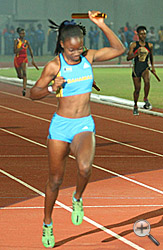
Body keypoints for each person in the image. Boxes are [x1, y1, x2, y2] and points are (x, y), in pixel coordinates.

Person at [30, 10, 125, 248]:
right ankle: (47, 222)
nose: (76, 53)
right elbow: (34, 94)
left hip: (83, 124)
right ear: (62, 45)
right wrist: (52, 88)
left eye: (79, 48)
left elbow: (119, 50)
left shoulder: (89, 57)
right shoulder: (54, 65)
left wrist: (101, 24)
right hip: (61, 126)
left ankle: (78, 198)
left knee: (84, 168)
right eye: (71, 49)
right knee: (55, 179)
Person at [127, 25, 156, 115]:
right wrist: (136, 54)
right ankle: (135, 106)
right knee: (137, 89)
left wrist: (153, 67)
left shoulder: (149, 45)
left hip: (145, 67)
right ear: (138, 35)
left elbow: (151, 56)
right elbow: (128, 58)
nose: (143, 36)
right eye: (141, 34)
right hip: (136, 69)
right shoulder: (134, 45)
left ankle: (145, 99)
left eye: (145, 34)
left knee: (147, 81)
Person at [14, 27, 36, 96]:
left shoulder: (26, 42)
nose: (23, 34)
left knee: (24, 73)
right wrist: (21, 48)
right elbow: (15, 51)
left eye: (24, 33)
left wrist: (32, 58)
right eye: (21, 33)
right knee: (20, 76)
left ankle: (24, 89)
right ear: (19, 34)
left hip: (24, 58)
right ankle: (21, 77)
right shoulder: (16, 41)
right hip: (17, 59)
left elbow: (30, 50)